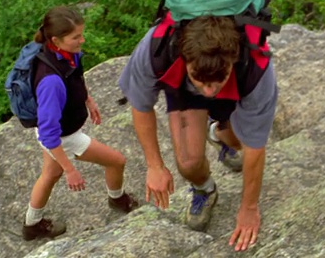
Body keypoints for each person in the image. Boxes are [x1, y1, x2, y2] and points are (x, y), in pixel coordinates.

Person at [118, 13, 277, 251]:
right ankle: (205, 190)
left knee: (238, 142)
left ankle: (218, 134)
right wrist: (154, 166)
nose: (209, 91)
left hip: (233, 87)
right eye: (200, 80)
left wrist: (249, 207)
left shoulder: (255, 68)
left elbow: (255, 146)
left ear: (233, 58)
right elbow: (141, 106)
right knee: (189, 164)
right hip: (184, 91)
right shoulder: (157, 49)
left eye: (216, 81)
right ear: (183, 56)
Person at [22, 6, 139, 241]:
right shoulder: (51, 82)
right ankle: (117, 199)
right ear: (56, 39)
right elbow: (48, 135)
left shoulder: (60, 53)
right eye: (76, 37)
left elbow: (75, 74)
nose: (82, 40)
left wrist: (87, 98)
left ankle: (31, 225)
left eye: (81, 34)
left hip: (54, 131)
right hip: (63, 138)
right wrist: (71, 169)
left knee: (49, 174)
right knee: (117, 161)